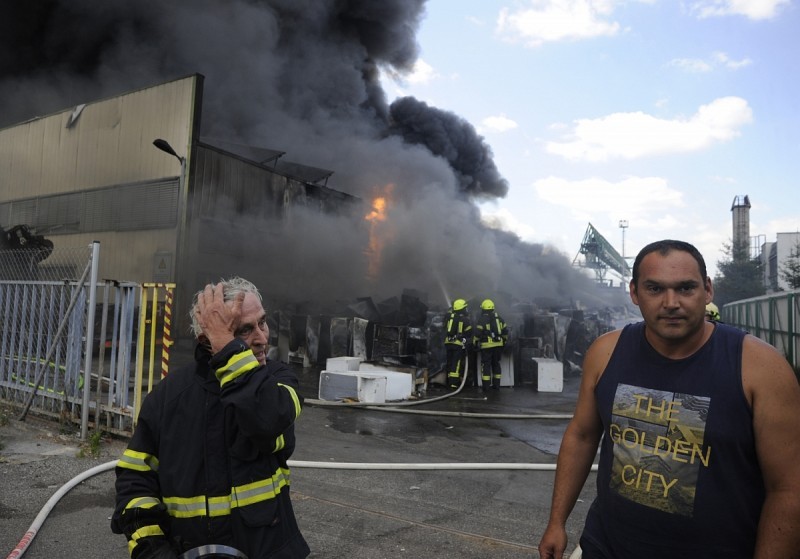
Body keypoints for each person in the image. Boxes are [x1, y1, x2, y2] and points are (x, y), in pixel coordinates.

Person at [537, 240, 800, 559]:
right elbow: (581, 435)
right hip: (605, 546)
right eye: (655, 289)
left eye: (686, 288)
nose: (671, 302)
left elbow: (789, 489)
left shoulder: (760, 367)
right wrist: (556, 522)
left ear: (708, 290)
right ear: (634, 293)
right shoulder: (605, 352)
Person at [111, 277, 310, 559]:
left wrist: (230, 349)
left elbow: (265, 418)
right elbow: (135, 479)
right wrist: (152, 549)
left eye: (262, 323)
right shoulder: (167, 398)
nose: (262, 338)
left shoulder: (279, 381)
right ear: (209, 340)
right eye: (244, 330)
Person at [474, 299, 508, 391]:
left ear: (483, 309)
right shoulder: (499, 318)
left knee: (486, 365)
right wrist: (504, 341)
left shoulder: (482, 319)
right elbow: (505, 331)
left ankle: (486, 387)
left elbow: (477, 333)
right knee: (496, 364)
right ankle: (496, 386)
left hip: (487, 346)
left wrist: (474, 343)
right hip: (499, 346)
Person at [444, 298, 473, 389]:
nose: (466, 309)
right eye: (465, 308)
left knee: (449, 362)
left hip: (448, 343)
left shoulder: (449, 317)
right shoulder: (464, 320)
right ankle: (454, 384)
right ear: (461, 309)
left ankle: (449, 382)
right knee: (456, 364)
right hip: (458, 344)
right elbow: (469, 332)